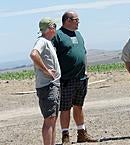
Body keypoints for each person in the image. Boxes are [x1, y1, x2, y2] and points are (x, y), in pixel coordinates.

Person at [52, 10, 97, 144]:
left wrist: (86, 70)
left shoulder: (78, 34)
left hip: (81, 78)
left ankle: (81, 133)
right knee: (65, 108)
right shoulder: (58, 35)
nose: (78, 22)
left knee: (79, 105)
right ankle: (65, 135)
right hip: (66, 79)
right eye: (76, 20)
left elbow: (83, 52)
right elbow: (51, 54)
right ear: (68, 20)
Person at [30, 17, 61, 145]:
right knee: (49, 118)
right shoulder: (42, 41)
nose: (55, 29)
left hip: (53, 85)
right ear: (49, 28)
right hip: (47, 85)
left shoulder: (48, 42)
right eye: (54, 26)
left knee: (53, 118)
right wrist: (46, 70)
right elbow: (33, 54)